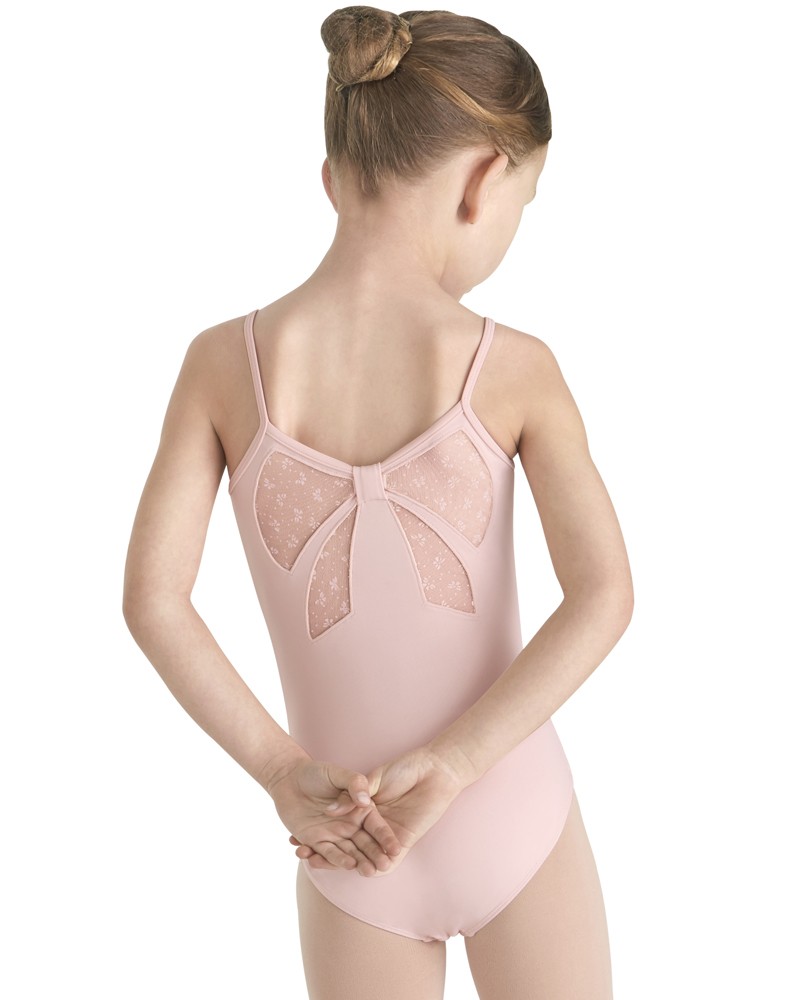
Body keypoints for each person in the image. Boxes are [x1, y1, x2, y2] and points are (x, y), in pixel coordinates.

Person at [123, 6, 634, 998]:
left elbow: (153, 600)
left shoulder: (222, 366)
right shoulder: (512, 368)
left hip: (347, 842)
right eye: (524, 200)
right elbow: (604, 593)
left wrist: (281, 771)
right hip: (512, 810)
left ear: (333, 176)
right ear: (484, 181)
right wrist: (457, 763)